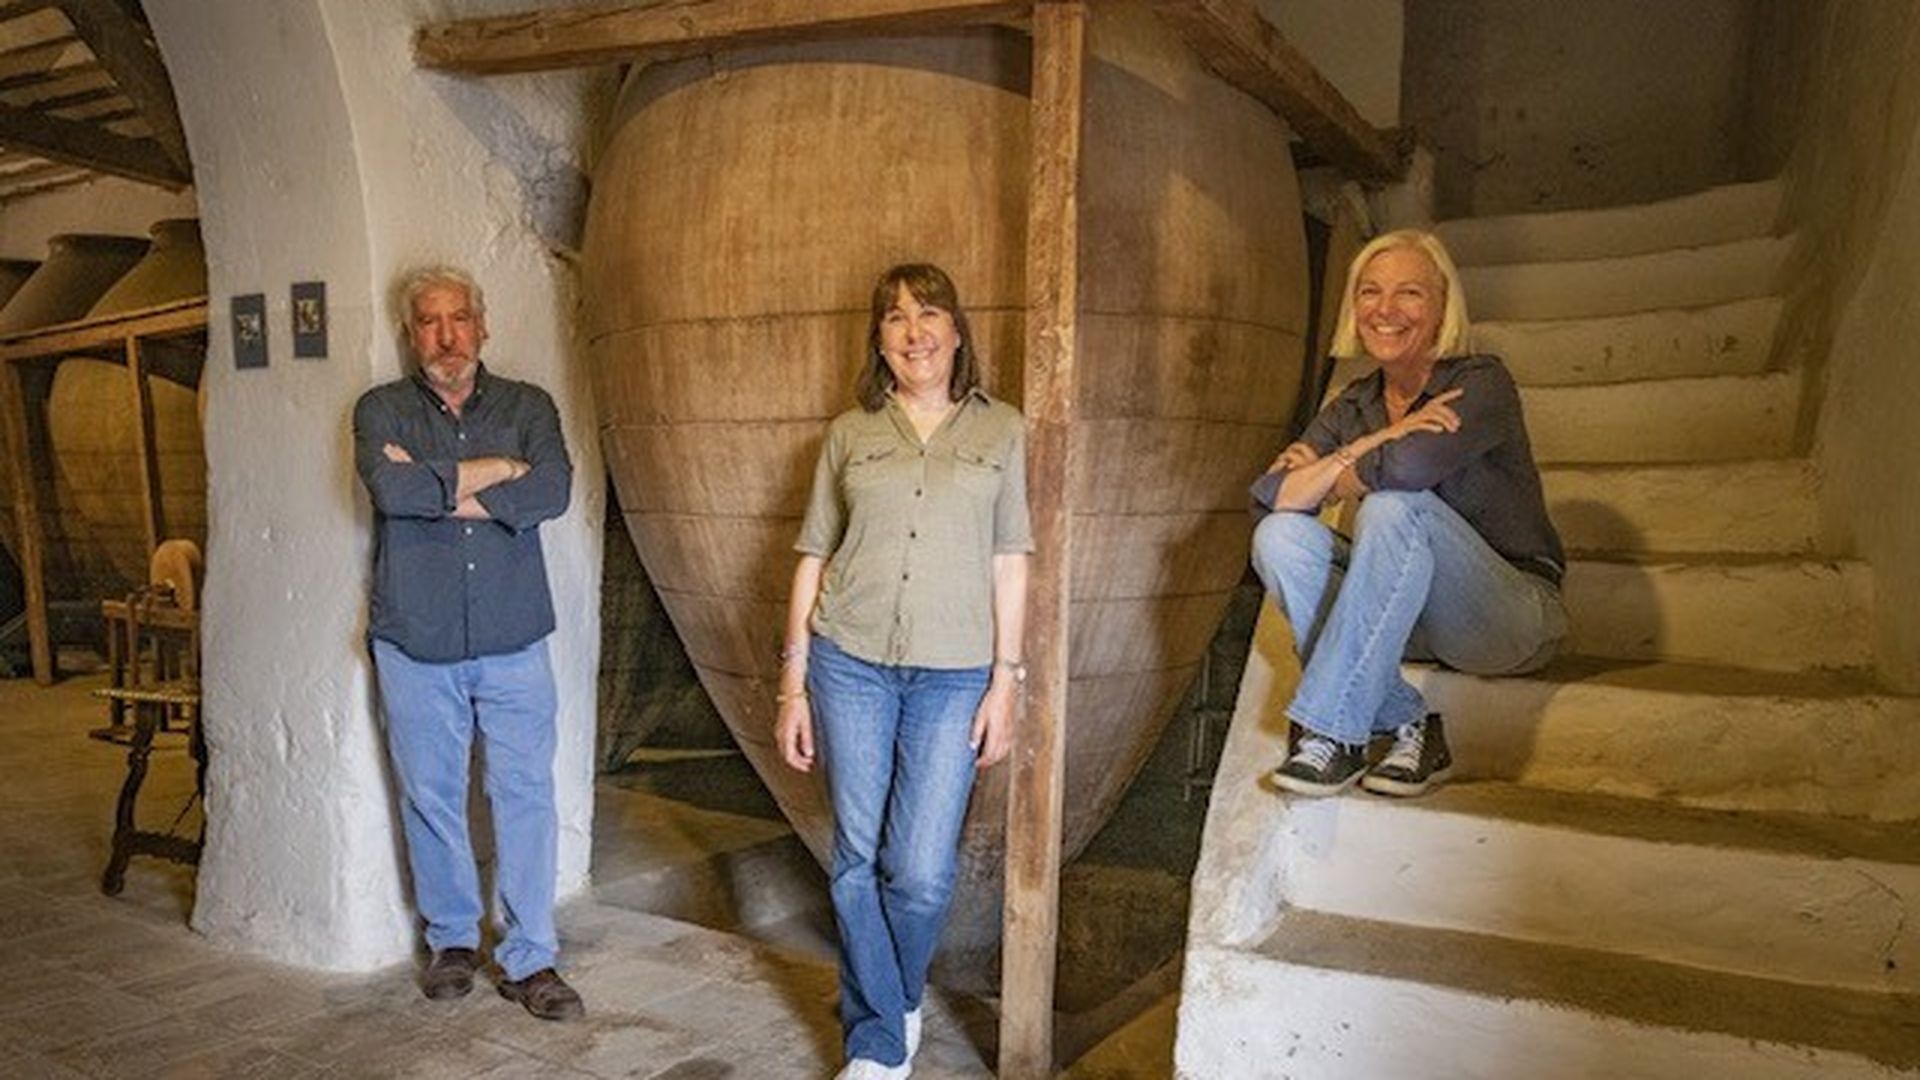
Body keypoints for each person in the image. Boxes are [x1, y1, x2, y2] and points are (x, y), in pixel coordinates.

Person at [775, 263, 1032, 1080]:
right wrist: (792, 685)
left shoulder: (1002, 431)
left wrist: (1006, 682)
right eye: (895, 318)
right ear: (878, 341)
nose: (914, 331)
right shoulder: (850, 434)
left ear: (957, 332)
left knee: (919, 871)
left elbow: (1010, 560)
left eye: (930, 314)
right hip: (847, 663)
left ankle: (890, 993)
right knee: (856, 857)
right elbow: (813, 556)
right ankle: (880, 1040)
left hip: (954, 675)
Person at [1250, 229, 1567, 798]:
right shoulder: (1354, 406)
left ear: (1444, 306)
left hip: (1508, 618)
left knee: (1395, 507)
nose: (1386, 309)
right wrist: (1377, 439)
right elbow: (1272, 495)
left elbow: (1409, 468)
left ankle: (1330, 730)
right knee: (1278, 537)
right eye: (1370, 291)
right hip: (1404, 616)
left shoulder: (1480, 382)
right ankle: (1409, 723)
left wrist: (1332, 472)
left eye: (1410, 293)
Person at [352, 265, 583, 1021]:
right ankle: (452, 940)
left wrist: (437, 485)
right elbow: (392, 493)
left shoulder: (528, 405)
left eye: (459, 319)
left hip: (515, 635)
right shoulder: (380, 409)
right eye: (429, 321)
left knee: (525, 795)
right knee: (430, 795)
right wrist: (501, 473)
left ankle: (530, 958)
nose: (446, 336)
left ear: (482, 325)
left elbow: (551, 491)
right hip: (415, 638)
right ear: (410, 332)